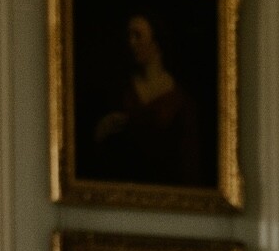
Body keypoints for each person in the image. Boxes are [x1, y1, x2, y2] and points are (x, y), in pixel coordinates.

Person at [88, 13, 206, 186]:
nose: (131, 43)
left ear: (156, 41)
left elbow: (189, 165)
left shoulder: (182, 100)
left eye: (138, 35)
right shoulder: (120, 88)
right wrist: (100, 132)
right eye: (129, 36)